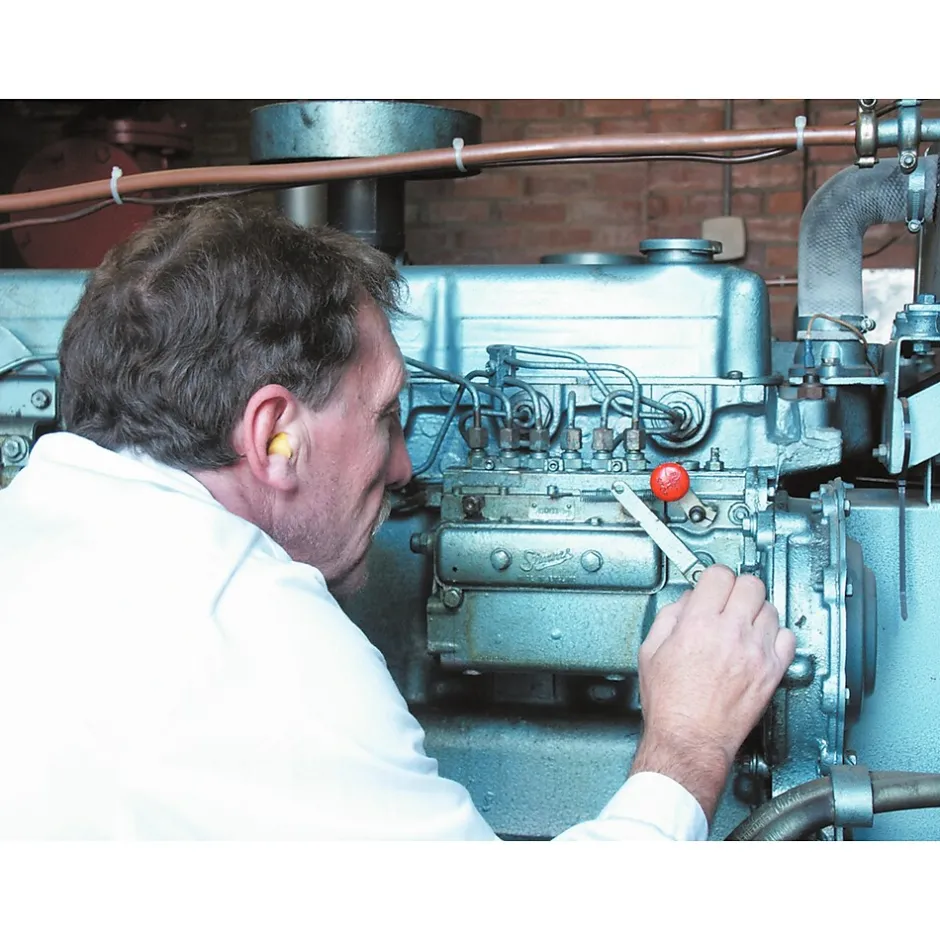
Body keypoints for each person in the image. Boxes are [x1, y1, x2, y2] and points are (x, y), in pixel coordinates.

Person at [0, 202, 795, 839]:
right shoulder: (261, 644)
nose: (407, 468)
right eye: (386, 417)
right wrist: (688, 743)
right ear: (274, 436)